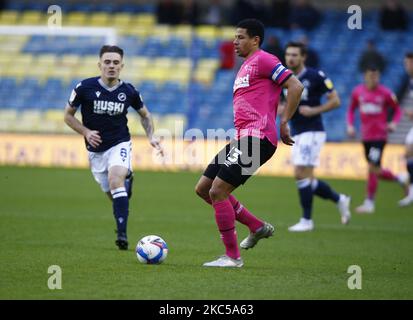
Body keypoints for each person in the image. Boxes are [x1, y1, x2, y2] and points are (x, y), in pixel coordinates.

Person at [195, 19, 304, 268]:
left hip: (259, 138)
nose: (235, 41)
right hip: (244, 137)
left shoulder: (265, 59)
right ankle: (256, 226)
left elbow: (295, 86)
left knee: (218, 191)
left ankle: (232, 257)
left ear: (255, 40)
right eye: (235, 37)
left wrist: (284, 121)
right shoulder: (245, 67)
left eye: (241, 37)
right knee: (203, 188)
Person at [63, 45, 163, 250]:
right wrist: (86, 132)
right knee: (113, 192)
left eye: (115, 63)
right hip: (95, 151)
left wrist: (151, 136)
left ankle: (122, 235)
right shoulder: (84, 88)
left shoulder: (129, 91)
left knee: (115, 179)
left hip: (120, 143)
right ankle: (126, 187)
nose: (111, 66)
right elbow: (67, 116)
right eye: (107, 62)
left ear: (122, 66)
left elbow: (145, 115)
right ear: (99, 65)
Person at [281, 42, 351, 232]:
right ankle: (340, 199)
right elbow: (282, 106)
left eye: (295, 55)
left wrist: (314, 110)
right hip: (296, 132)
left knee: (299, 172)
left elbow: (335, 100)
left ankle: (306, 220)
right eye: (288, 54)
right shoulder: (282, 78)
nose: (291, 58)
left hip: (312, 130)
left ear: (303, 57)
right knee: (308, 179)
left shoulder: (316, 76)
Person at [347, 66, 405, 214]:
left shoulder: (386, 93)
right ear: (365, 76)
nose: (373, 79)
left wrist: (393, 123)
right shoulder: (358, 92)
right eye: (371, 76)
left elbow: (398, 109)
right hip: (366, 136)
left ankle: (369, 202)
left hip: (380, 136)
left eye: (376, 76)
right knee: (375, 169)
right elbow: (351, 110)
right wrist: (350, 125)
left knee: (373, 167)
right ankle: (401, 179)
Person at [399, 52, 413, 206]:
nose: (406, 66)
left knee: (409, 152)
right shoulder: (410, 81)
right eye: (405, 64)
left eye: (408, 63)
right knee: (408, 153)